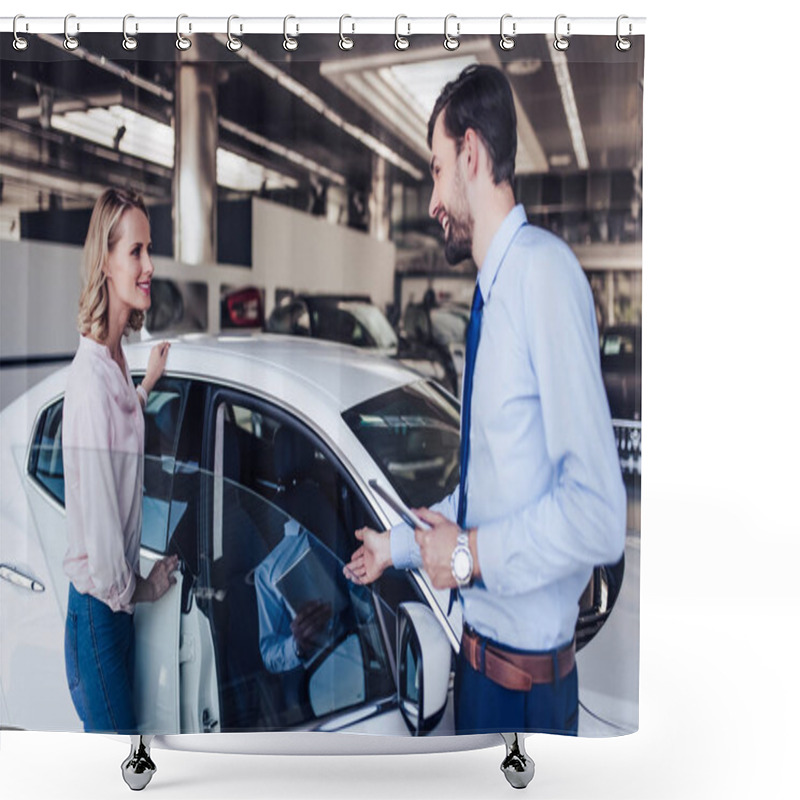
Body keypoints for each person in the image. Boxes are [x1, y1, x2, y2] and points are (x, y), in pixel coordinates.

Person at [345, 65, 626, 736]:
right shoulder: (493, 293)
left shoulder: (542, 277)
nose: (433, 196)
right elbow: (492, 494)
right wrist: (399, 547)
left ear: (471, 154)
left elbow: (598, 515)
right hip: (480, 674)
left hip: (523, 697)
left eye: (437, 169)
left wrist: (468, 556)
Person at [62, 187, 178, 742]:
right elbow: (106, 541)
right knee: (122, 777)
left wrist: (146, 387)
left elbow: (118, 417)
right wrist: (143, 591)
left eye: (148, 250)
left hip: (111, 613)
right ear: (105, 262)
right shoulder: (88, 383)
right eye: (136, 252)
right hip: (99, 617)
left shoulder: (114, 362)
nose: (149, 265)